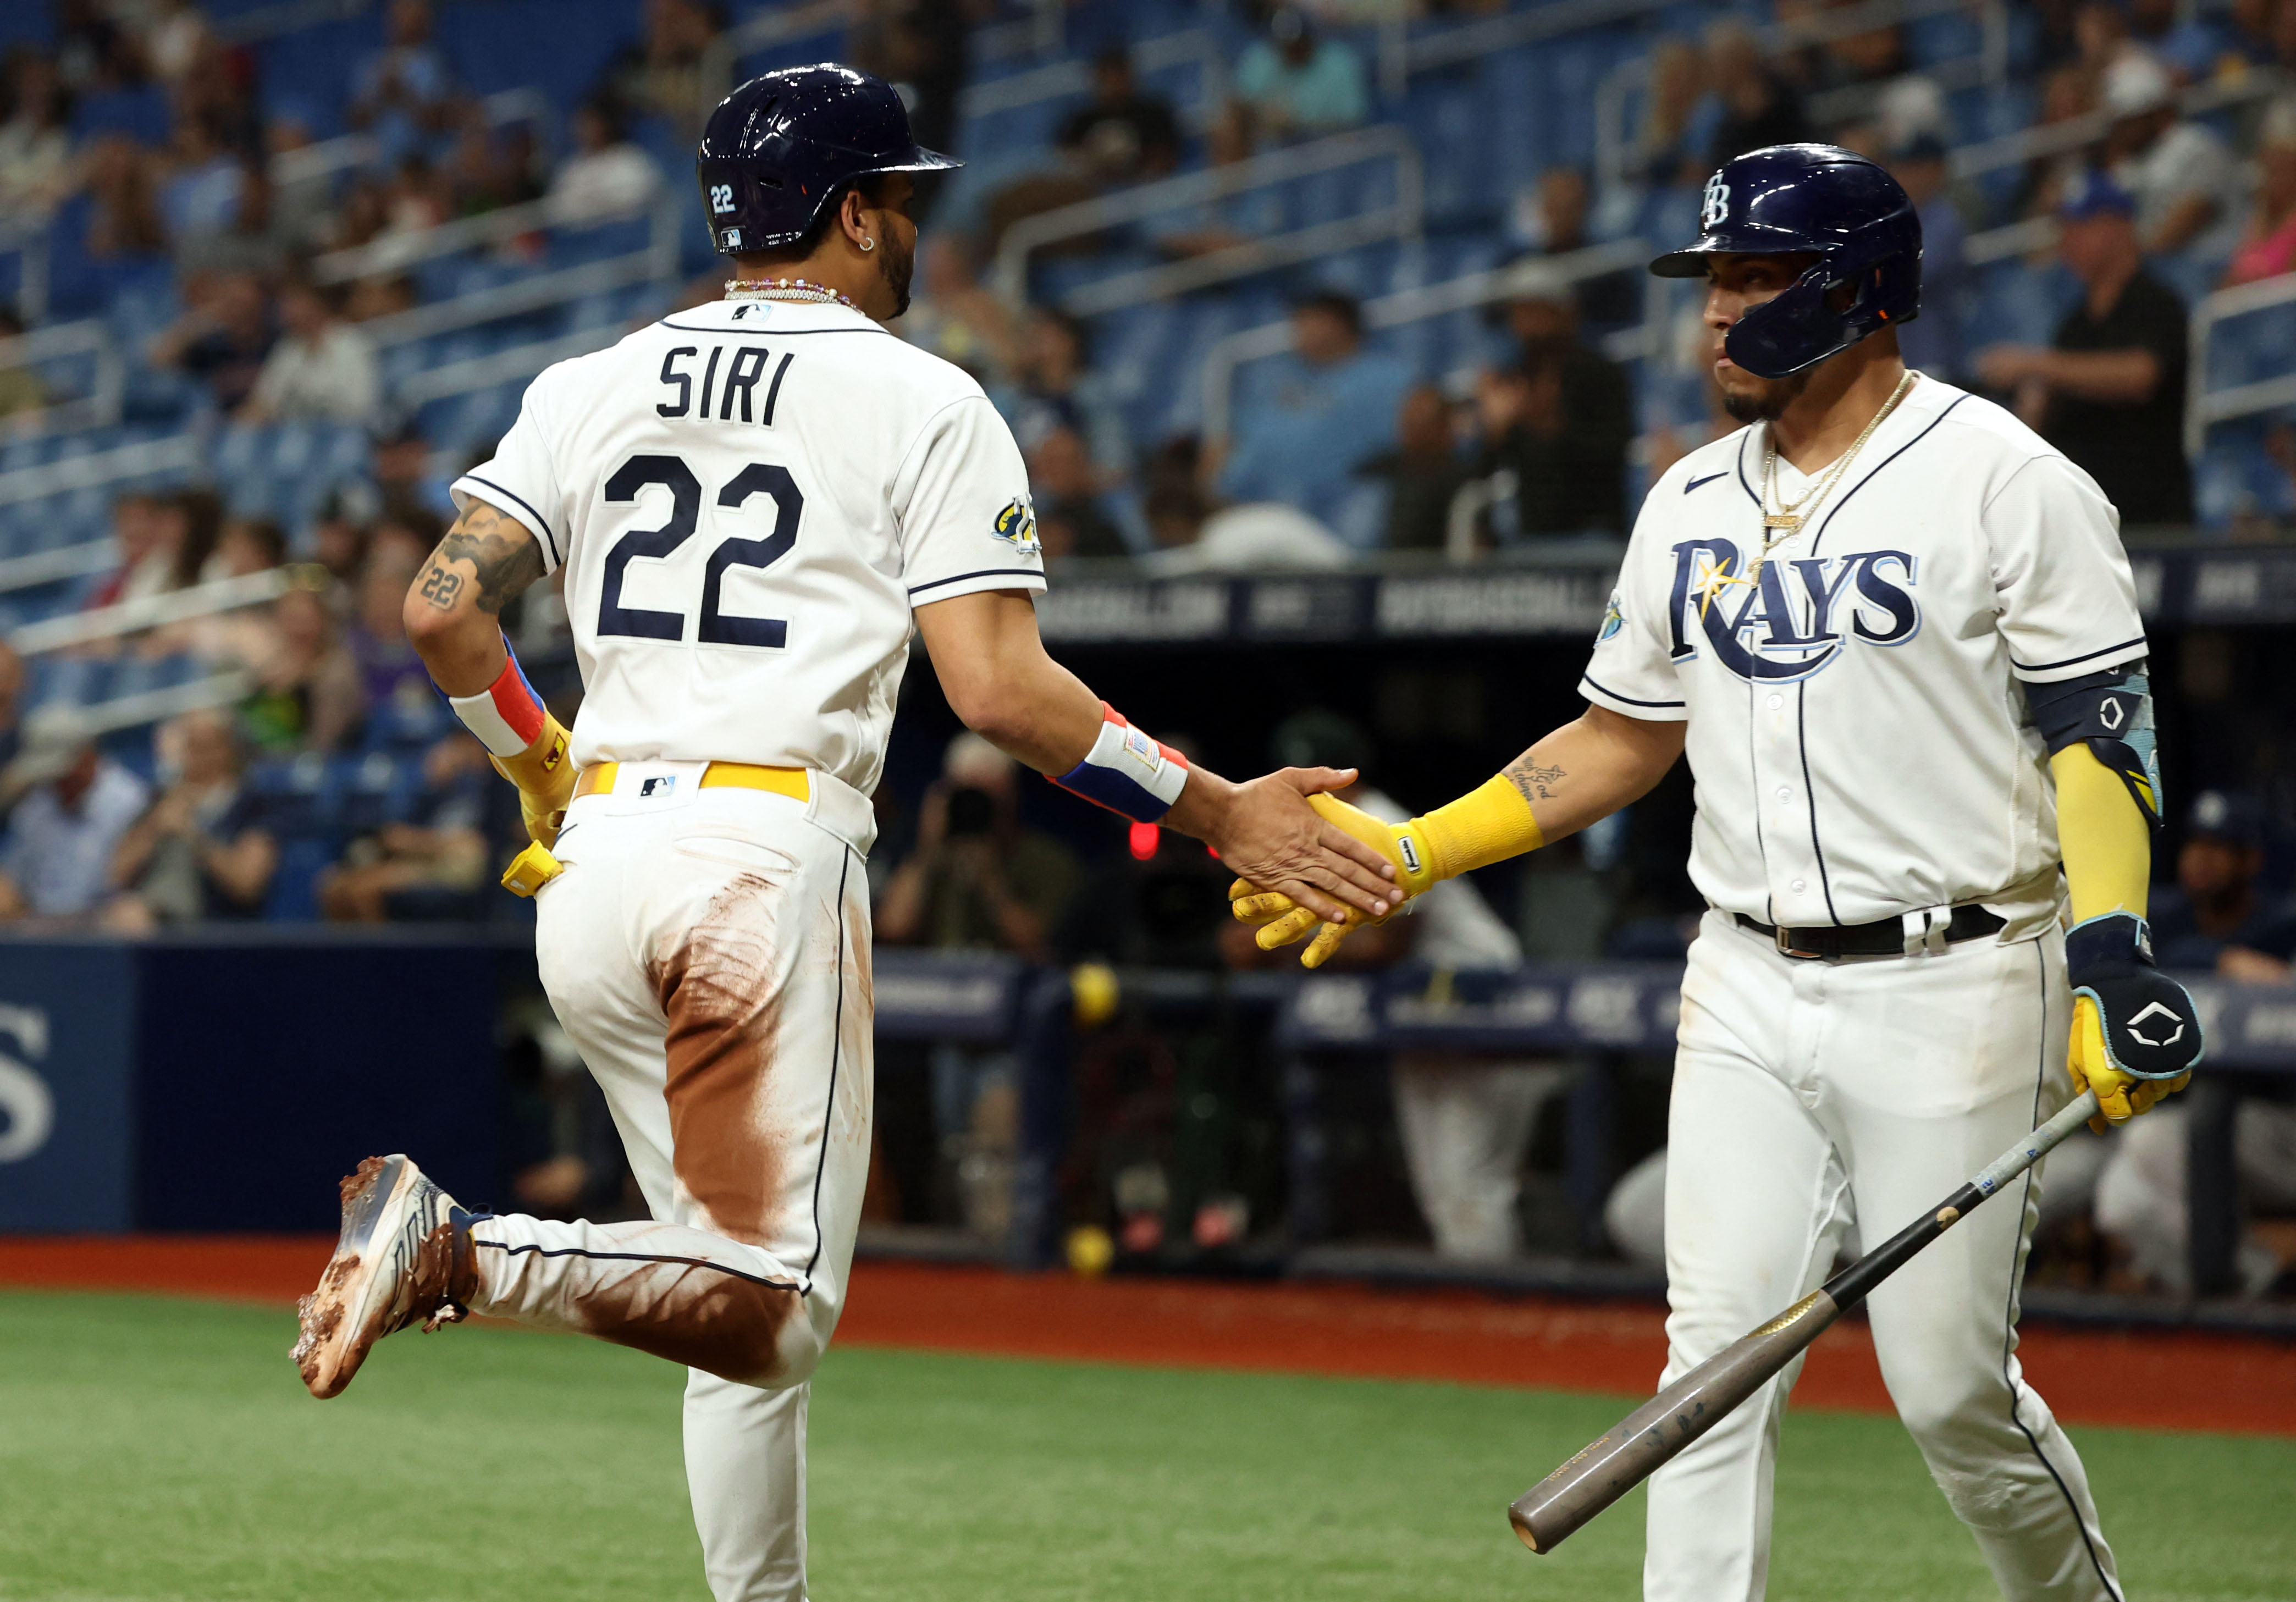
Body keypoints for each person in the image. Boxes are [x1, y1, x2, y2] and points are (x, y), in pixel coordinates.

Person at [288, 64, 1398, 1602]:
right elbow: (1002, 695)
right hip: (754, 864)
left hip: (593, 862)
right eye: (906, 200)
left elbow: (438, 604)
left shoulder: (592, 378)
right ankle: (460, 1253)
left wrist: (530, 758)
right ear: (859, 213)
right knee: (777, 1301)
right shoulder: (925, 395)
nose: (915, 227)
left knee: (725, 1308)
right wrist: (1216, 811)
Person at [1231, 143, 2199, 1601]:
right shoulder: (1689, 499)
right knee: (1710, 1375)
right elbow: (1622, 738)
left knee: (1952, 1397)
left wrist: (2115, 951)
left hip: (1960, 974)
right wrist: (1413, 847)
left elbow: (2100, 738)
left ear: (1862, 294)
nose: (1718, 313)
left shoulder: (2010, 482)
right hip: (1742, 976)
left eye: (1757, 279)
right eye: (1713, 281)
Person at [1975, 172, 2194, 528]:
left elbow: (2140, 376)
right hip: (2084, 511)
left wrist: (2037, 365)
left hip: (2149, 510)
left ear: (2118, 227)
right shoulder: (2074, 324)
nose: (2068, 240)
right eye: (2066, 227)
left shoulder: (2156, 303)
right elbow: (2042, 411)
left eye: (2082, 226)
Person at [1215, 290, 1412, 528]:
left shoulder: (1388, 380)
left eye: (1308, 320)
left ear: (1338, 324)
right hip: (1250, 510)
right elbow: (1235, 442)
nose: (1298, 331)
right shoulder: (1277, 381)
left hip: (1341, 512)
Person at [1474, 285, 1635, 538]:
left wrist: (1553, 428)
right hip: (1532, 535)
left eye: (1535, 310)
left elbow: (1614, 450)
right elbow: (1488, 469)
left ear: (1563, 312)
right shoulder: (1515, 379)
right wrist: (1495, 433)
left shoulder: (1600, 374)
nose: (1526, 323)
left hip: (1594, 531)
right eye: (1519, 312)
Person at [102, 708, 276, 930]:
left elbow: (247, 885)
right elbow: (116, 874)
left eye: (204, 747)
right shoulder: (161, 800)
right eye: (190, 747)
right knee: (120, 914)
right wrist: (156, 827)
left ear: (228, 751)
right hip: (147, 913)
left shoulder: (252, 807)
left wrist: (192, 834)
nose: (195, 757)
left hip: (213, 924)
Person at [317, 733, 493, 921]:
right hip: (417, 858)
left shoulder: (481, 789)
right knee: (333, 886)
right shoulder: (431, 790)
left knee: (364, 892)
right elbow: (396, 832)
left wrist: (415, 842)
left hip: (448, 864)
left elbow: (471, 842)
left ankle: (379, 950)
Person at [2100, 51, 2238, 258]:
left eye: (2130, 121)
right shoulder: (2127, 166)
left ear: (2156, 113)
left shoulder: (2197, 146)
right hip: (2160, 269)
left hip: (2211, 260)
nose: (2122, 132)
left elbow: (2185, 225)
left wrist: (2127, 264)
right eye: (2119, 124)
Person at [2148, 790, 2296, 978]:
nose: (2200, 859)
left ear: (2250, 860)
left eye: (2216, 847)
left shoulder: (2282, 926)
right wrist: (2222, 959)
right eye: (2194, 844)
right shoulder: (2156, 915)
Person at [0, 742, 151, 922]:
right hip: (35, 922)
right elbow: (13, 877)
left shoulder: (131, 802)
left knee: (130, 916)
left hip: (101, 922)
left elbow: (123, 879)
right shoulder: (37, 803)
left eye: (61, 774)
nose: (56, 784)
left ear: (86, 760)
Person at [240, 277, 381, 426]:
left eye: (294, 301)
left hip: (342, 433)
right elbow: (262, 403)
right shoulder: (288, 349)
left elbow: (363, 406)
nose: (285, 309)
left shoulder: (351, 343)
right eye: (285, 302)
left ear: (316, 303)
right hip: (295, 438)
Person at [1887, 132, 1969, 384]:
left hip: (1936, 355)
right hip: (1902, 358)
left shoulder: (1945, 221)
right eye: (1899, 167)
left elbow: (1906, 278)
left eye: (1913, 168)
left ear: (1935, 170)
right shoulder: (1898, 221)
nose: (1902, 176)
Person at [1355, 384, 1470, 554]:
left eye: (1423, 421)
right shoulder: (1377, 471)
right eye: (1409, 420)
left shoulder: (1463, 480)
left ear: (1445, 427)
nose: (1413, 429)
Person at [148, 269, 275, 415]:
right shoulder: (212, 348)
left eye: (249, 306)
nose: (242, 314)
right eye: (235, 305)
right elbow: (159, 359)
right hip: (212, 426)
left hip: (266, 429)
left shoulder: (276, 344)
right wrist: (207, 316)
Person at [1232, 7, 1368, 140]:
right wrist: (1263, 115)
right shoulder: (1260, 60)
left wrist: (1296, 120)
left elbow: (1354, 121)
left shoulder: (1339, 62)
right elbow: (1239, 105)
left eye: (1299, 43)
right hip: (1271, 146)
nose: (1294, 50)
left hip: (1326, 144)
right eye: (1287, 45)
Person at [1054, 47, 1180, 186]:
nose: (1114, 84)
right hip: (1097, 192)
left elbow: (1166, 159)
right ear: (1097, 80)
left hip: (1148, 189)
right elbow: (1067, 161)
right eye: (1108, 78)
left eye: (1119, 77)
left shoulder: (1154, 114)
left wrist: (1130, 170)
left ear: (1130, 76)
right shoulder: (1082, 121)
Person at [546, 96, 663, 224]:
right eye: (582, 123)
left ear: (606, 124)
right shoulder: (571, 168)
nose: (586, 130)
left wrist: (597, 203)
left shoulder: (630, 159)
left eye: (592, 123)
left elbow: (643, 200)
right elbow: (558, 211)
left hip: (624, 234)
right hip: (582, 239)